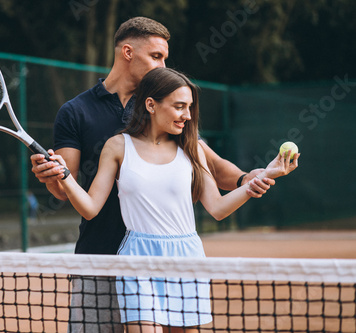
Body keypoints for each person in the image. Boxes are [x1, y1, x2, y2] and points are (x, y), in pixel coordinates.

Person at [31, 17, 282, 332]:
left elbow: (214, 167)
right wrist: (53, 175)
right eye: (156, 56)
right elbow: (63, 186)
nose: (164, 64)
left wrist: (248, 178)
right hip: (100, 254)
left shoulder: (168, 111)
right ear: (127, 52)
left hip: (176, 259)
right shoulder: (76, 112)